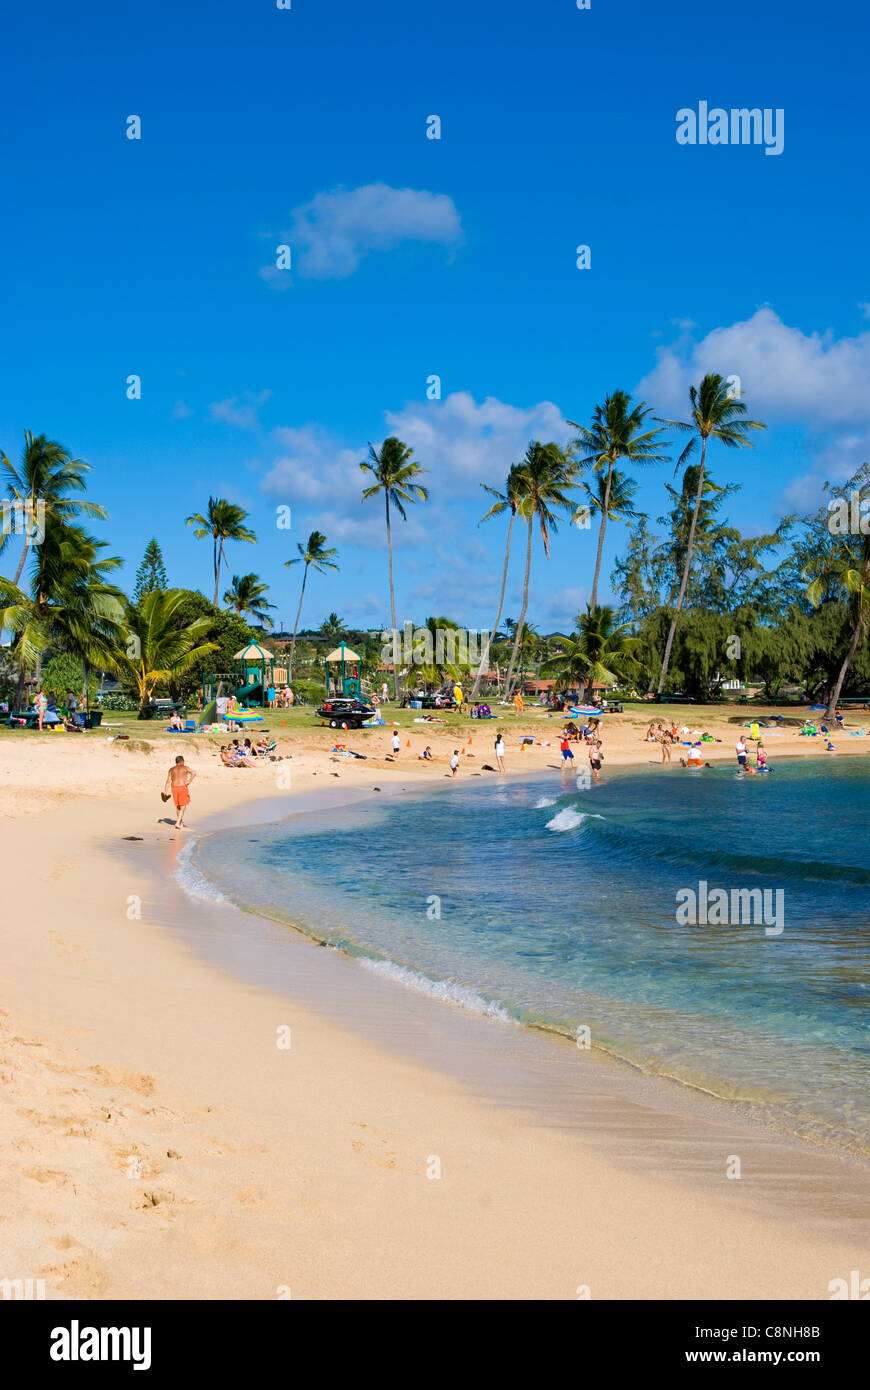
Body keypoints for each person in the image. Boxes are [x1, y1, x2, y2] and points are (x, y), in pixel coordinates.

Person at [164, 754, 196, 829]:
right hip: (182, 787)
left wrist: (165, 791)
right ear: (182, 761)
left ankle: (180, 821)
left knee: (178, 806)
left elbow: (168, 781)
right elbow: (194, 773)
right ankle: (178, 823)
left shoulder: (171, 769)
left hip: (174, 788)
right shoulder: (185, 768)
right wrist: (189, 781)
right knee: (183, 806)